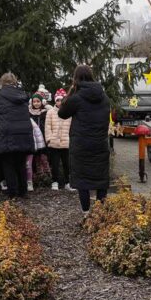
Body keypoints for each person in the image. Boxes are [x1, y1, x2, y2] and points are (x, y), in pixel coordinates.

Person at [58, 65, 111, 215]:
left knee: (82, 180)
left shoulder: (76, 98)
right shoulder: (104, 98)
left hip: (81, 145)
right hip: (100, 143)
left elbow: (62, 113)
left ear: (76, 79)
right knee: (101, 178)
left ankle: (86, 213)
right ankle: (100, 213)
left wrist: (71, 91)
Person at [0, 72, 35, 199]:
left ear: (1, 84)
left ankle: (12, 193)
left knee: (8, 164)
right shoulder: (23, 96)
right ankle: (23, 192)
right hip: (23, 134)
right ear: (15, 83)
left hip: (7, 134)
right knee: (21, 163)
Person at [44, 88, 73, 191]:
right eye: (58, 100)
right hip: (54, 142)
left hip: (65, 142)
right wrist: (49, 139)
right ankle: (54, 181)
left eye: (61, 100)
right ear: (55, 101)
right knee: (55, 164)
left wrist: (71, 140)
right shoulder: (50, 112)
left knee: (67, 164)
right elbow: (47, 127)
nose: (59, 102)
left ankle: (67, 182)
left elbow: (72, 128)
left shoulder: (69, 112)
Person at [27, 94, 48, 192]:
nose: (36, 103)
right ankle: (35, 179)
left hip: (43, 139)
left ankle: (45, 178)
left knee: (44, 159)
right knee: (34, 160)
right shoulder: (29, 113)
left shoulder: (45, 113)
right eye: (34, 102)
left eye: (38, 101)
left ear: (42, 102)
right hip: (33, 140)